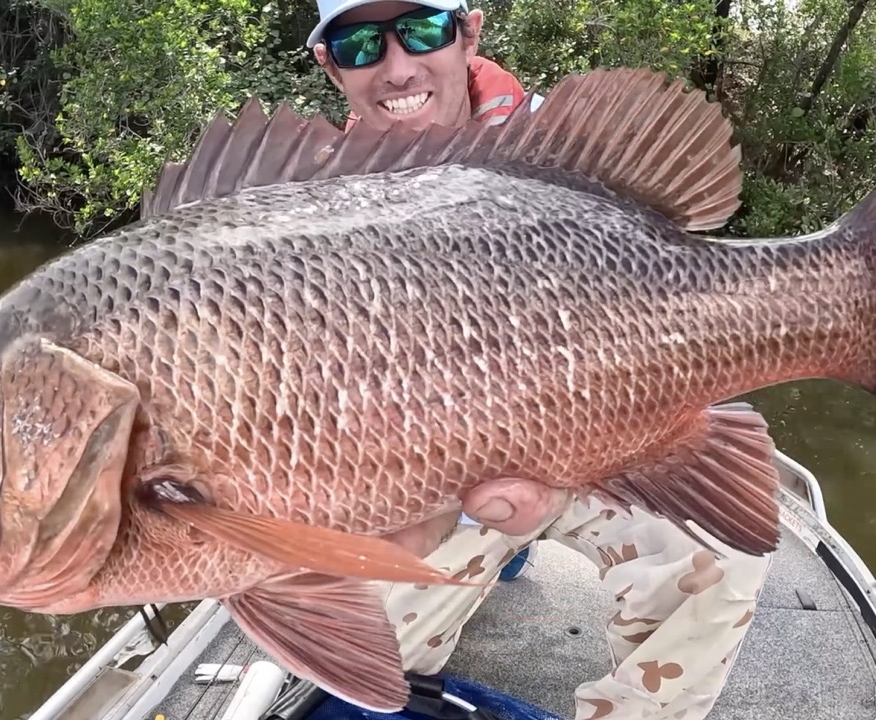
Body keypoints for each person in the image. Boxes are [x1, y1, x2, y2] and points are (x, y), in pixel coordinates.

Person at [306, 3, 775, 718]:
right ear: (329, 63)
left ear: (469, 32)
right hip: (427, 477)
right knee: (352, 648)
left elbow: (668, 286)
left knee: (721, 556)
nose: (398, 66)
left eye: (423, 31)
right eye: (360, 42)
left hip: (602, 440)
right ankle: (465, 597)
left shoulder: (561, 142)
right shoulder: (301, 209)